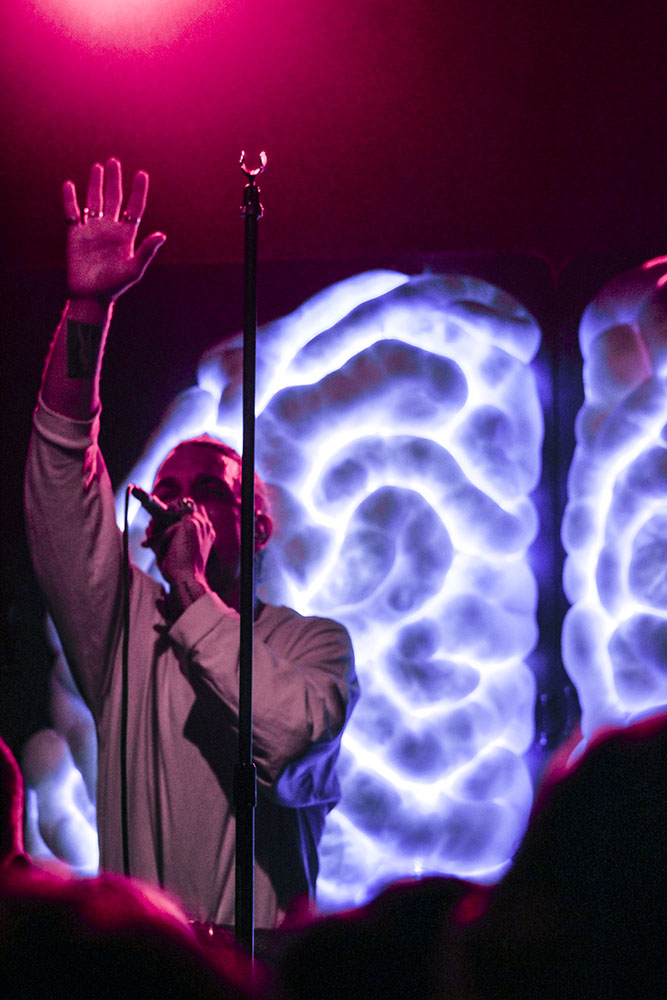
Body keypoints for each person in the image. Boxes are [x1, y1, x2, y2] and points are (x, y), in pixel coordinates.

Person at [24, 157, 358, 929]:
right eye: (167, 490)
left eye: (209, 489)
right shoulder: (122, 633)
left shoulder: (315, 648)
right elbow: (58, 467)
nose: (180, 504)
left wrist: (198, 596)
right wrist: (86, 311)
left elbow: (282, 744)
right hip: (141, 973)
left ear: (260, 524)